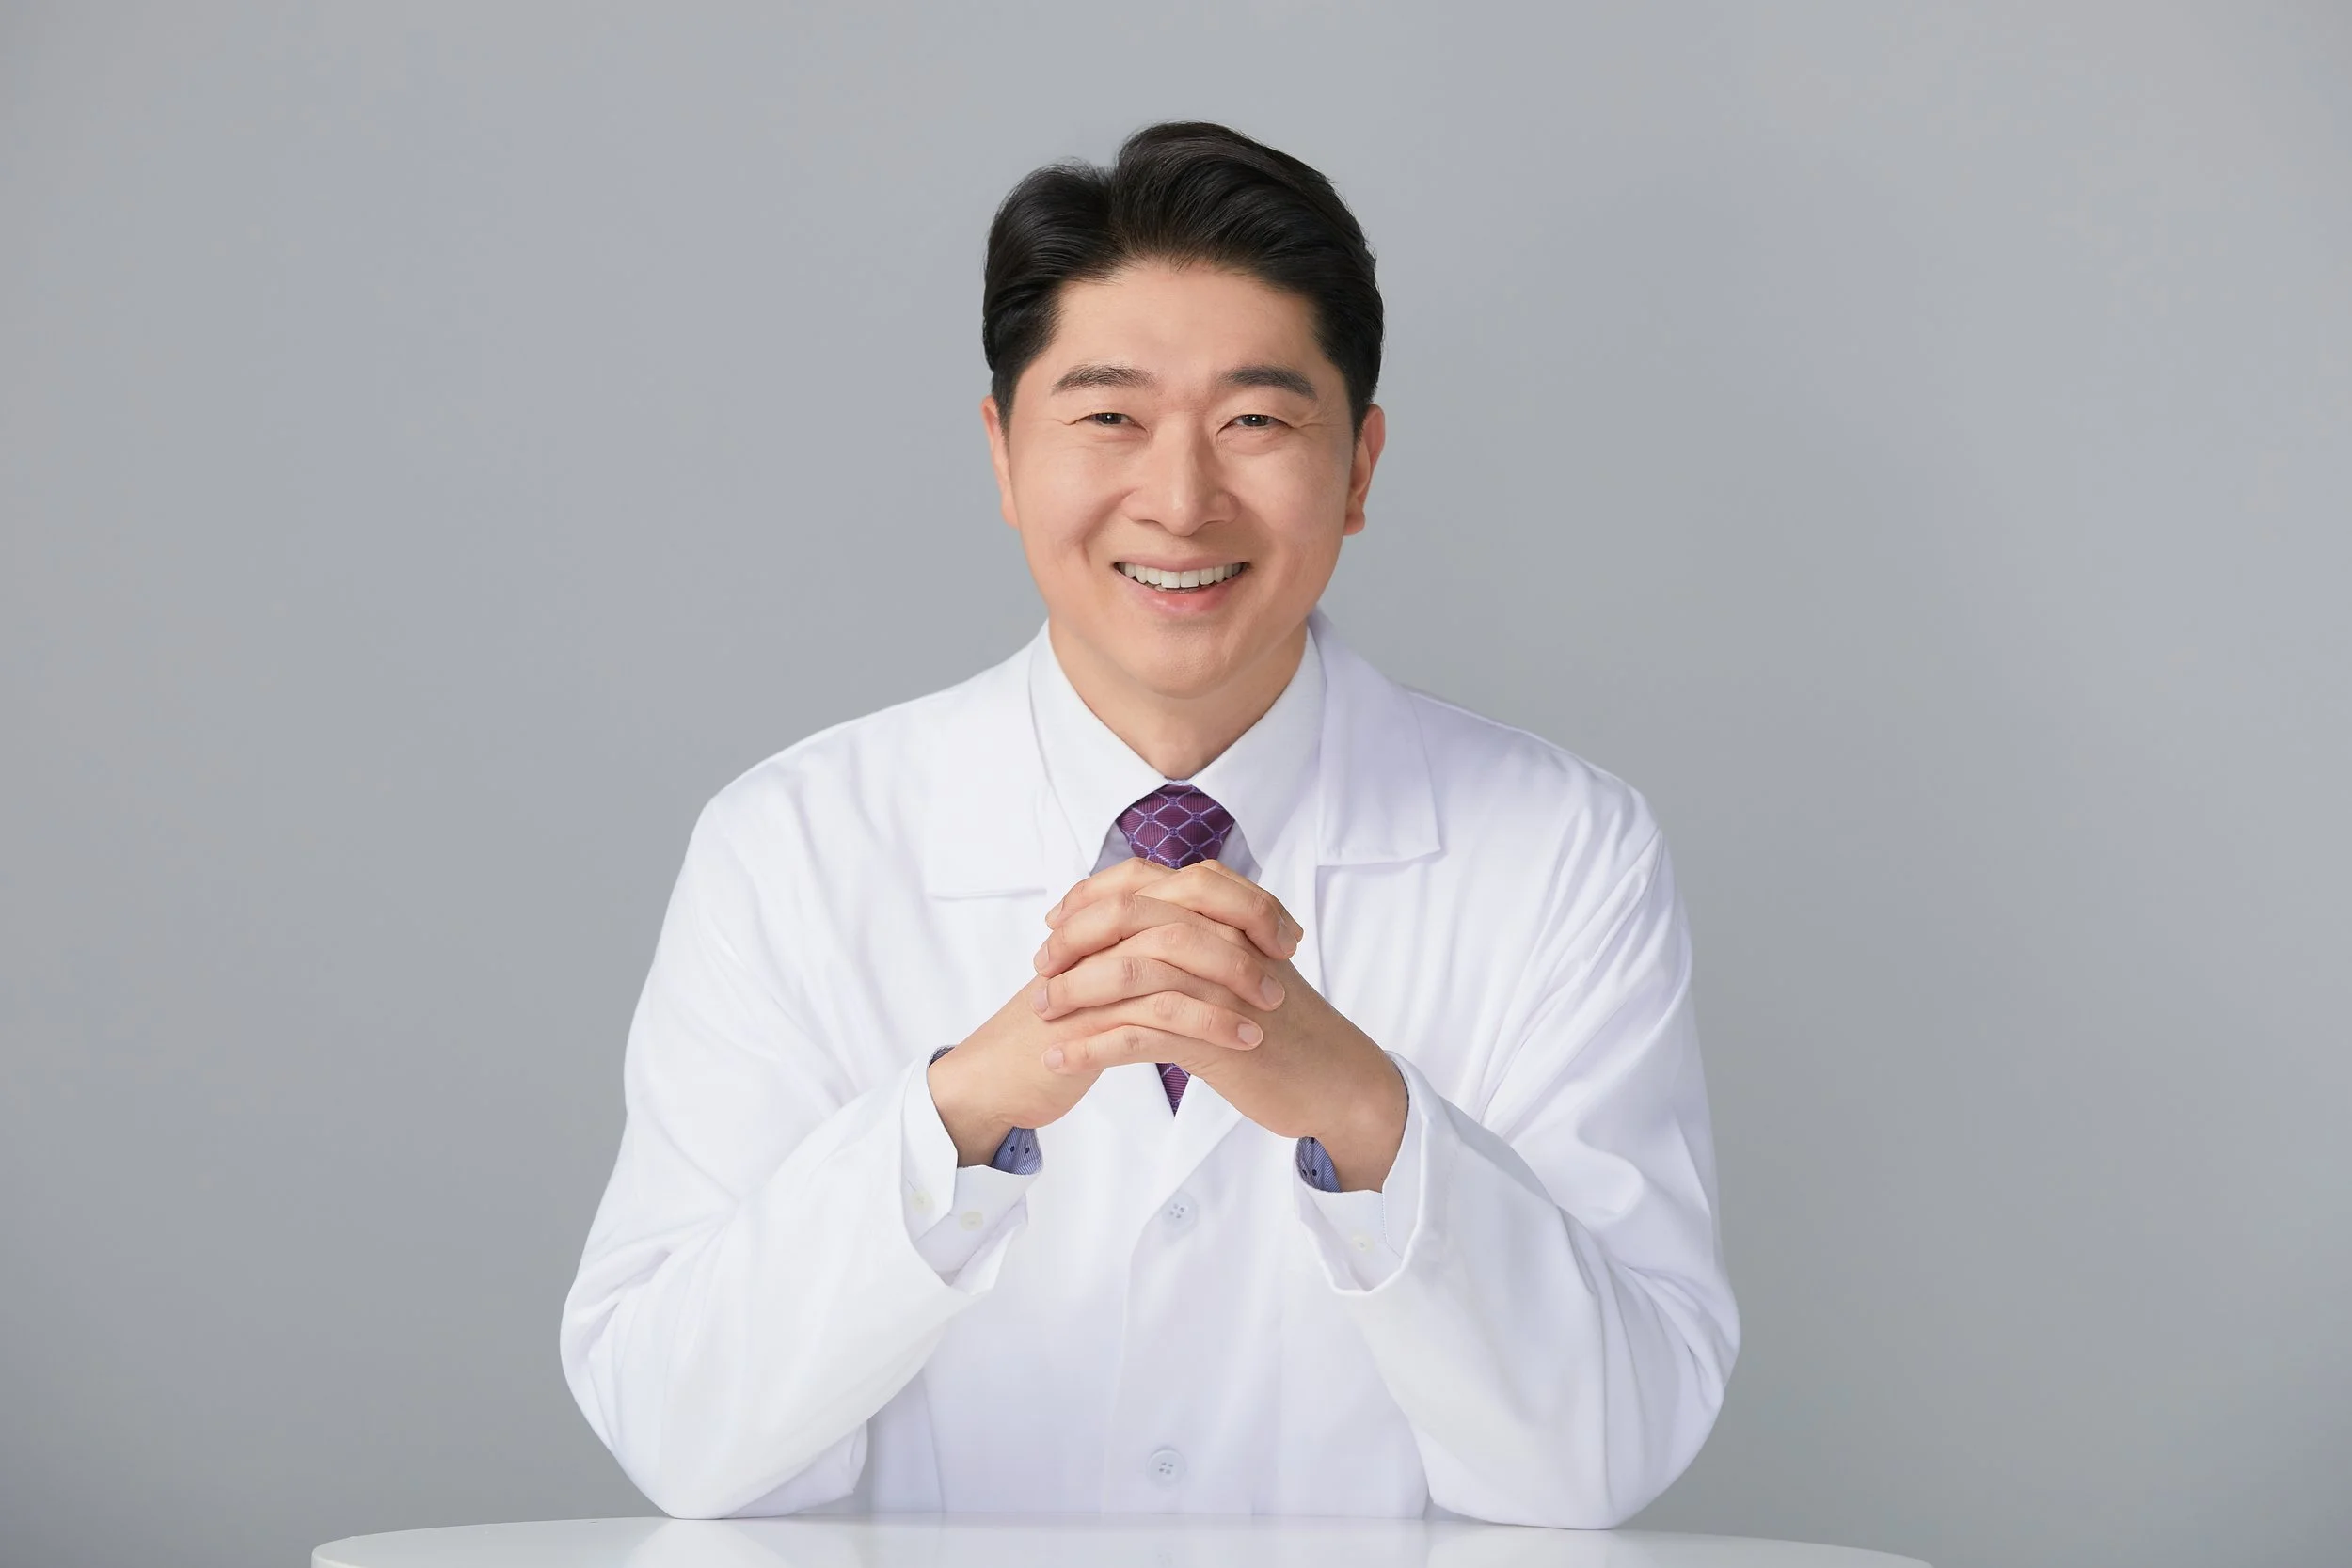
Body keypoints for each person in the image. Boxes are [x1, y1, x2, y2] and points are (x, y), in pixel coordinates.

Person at [558, 121, 1739, 1528]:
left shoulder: (1561, 851)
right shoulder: (796, 844)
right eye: (1109, 416)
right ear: (1004, 455)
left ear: (1359, 467)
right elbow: (683, 1437)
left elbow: (1599, 1454)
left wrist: (1362, 1110)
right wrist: (968, 1106)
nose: (1179, 500)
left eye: (1255, 420)